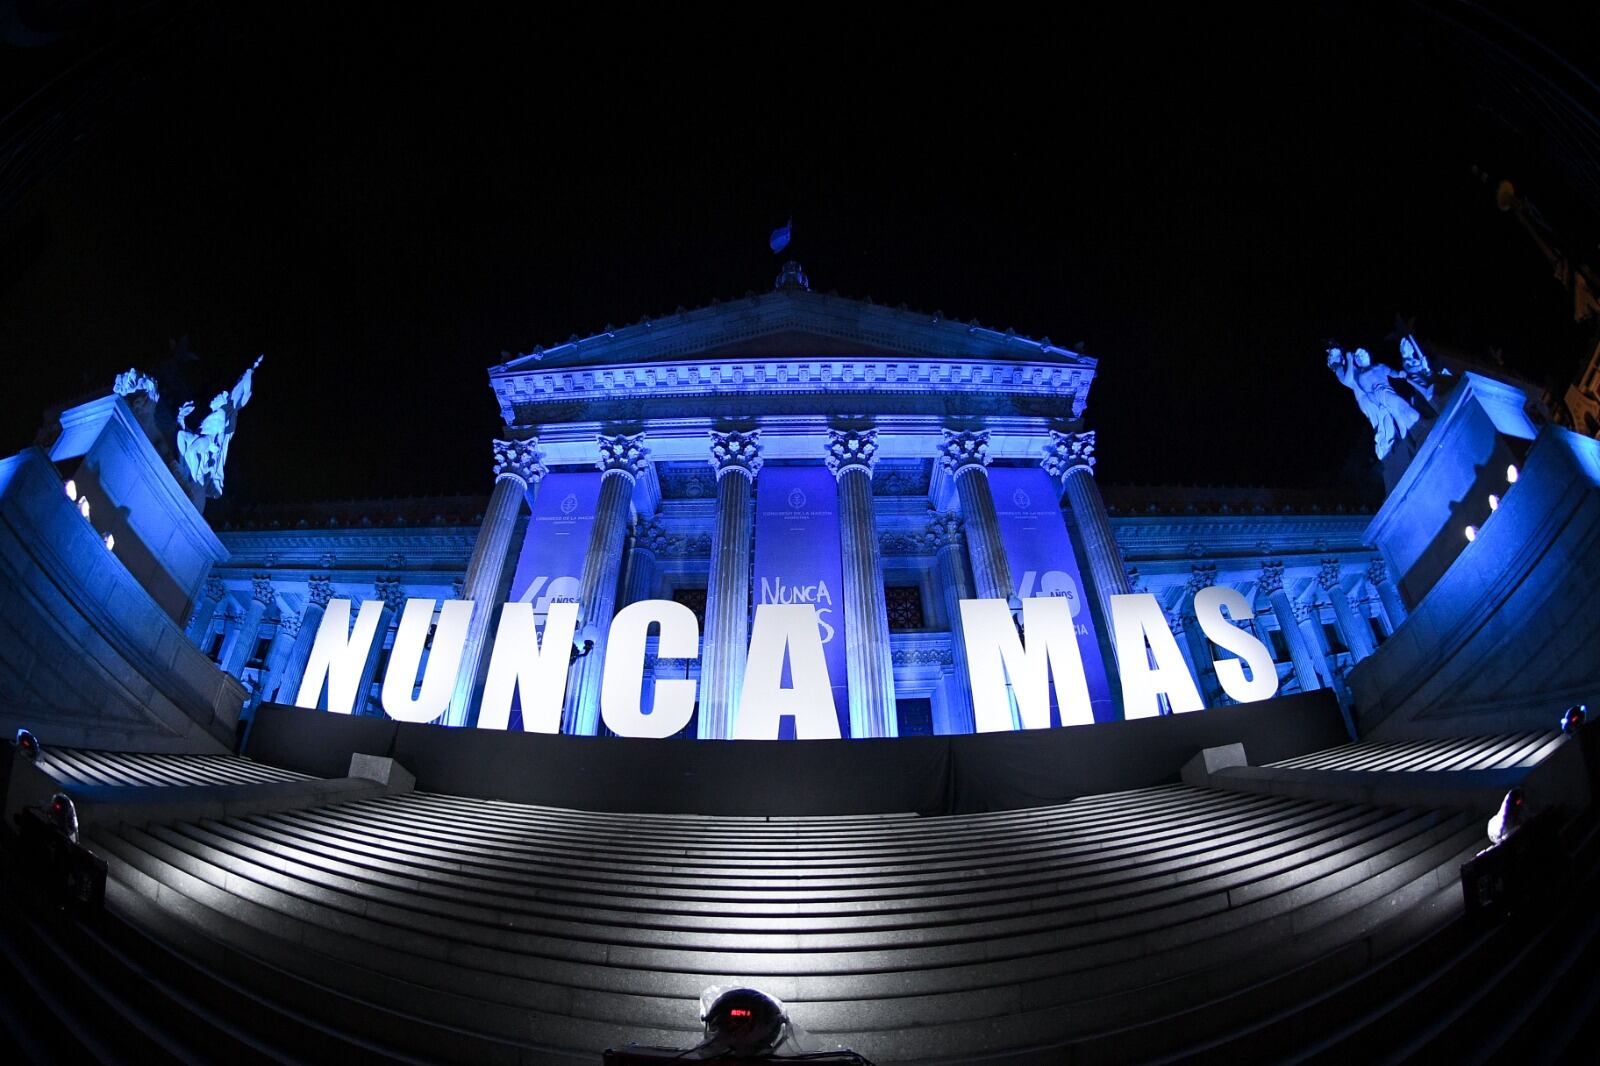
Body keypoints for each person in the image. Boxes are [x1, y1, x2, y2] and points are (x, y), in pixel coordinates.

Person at [1326, 346, 1421, 460]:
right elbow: (1348, 380)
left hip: (1372, 394)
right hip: (1365, 399)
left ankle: (1409, 447)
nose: (1340, 355)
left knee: (1393, 418)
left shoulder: (1348, 364)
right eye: (1335, 355)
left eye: (1338, 353)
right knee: (1384, 425)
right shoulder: (1339, 369)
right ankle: (1392, 452)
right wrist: (1350, 360)